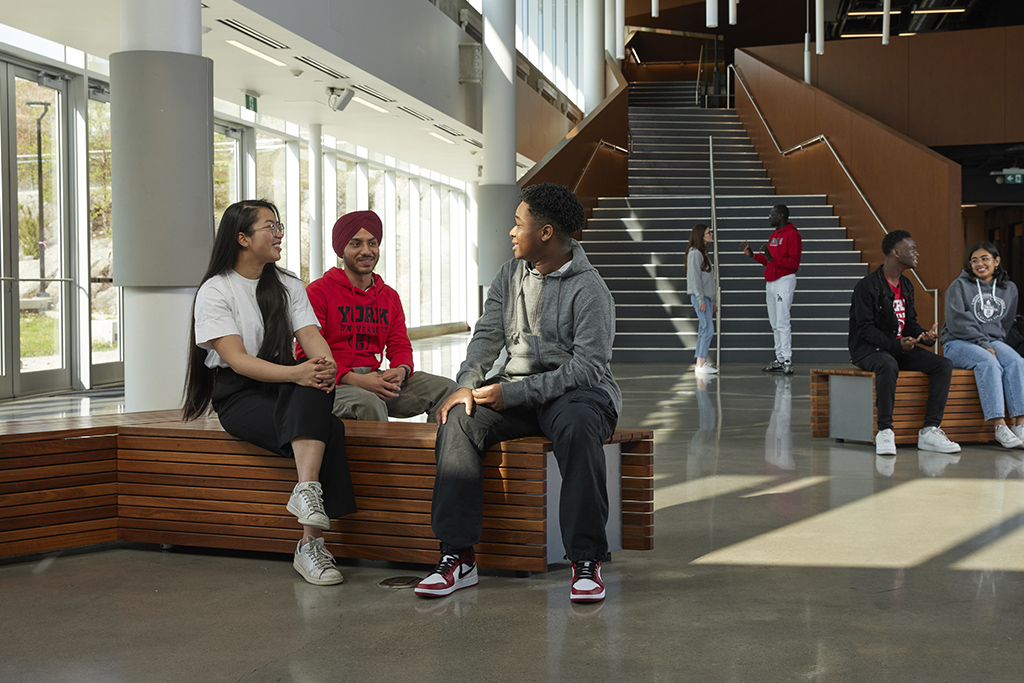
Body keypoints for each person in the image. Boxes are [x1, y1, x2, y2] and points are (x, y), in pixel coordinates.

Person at [414, 183, 621, 604]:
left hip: (579, 394)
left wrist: (513, 395)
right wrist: (466, 386)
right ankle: (458, 556)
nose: (510, 231)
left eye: (518, 222)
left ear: (545, 233)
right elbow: (487, 336)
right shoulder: (509, 275)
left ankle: (586, 560)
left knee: (579, 426)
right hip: (516, 390)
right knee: (459, 419)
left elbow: (587, 368)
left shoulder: (591, 290)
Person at [183, 199, 355, 587]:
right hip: (239, 395)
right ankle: (309, 546)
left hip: (282, 385)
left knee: (314, 382)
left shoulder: (289, 285)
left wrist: (325, 366)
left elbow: (311, 337)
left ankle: (306, 494)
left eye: (279, 226)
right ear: (242, 238)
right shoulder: (216, 290)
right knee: (330, 429)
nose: (279, 234)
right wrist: (297, 373)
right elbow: (237, 360)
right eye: (270, 227)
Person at [300, 210, 456, 422]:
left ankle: (435, 452)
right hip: (331, 383)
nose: (366, 251)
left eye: (372, 243)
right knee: (369, 403)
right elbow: (304, 353)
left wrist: (401, 370)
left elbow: (399, 344)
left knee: (447, 389)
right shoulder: (318, 291)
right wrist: (355, 379)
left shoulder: (389, 296)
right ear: (341, 250)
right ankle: (383, 456)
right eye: (356, 244)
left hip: (375, 377)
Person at [848, 229, 960, 456]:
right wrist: (896, 345)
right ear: (896, 252)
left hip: (895, 348)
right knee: (888, 364)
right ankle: (885, 431)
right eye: (912, 249)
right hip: (869, 350)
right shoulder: (868, 286)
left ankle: (930, 430)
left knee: (943, 365)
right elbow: (865, 329)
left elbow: (909, 325)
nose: (917, 254)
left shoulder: (907, 286)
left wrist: (924, 336)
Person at [940, 241, 1024, 448]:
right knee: (989, 362)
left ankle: (1020, 424)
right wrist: (983, 343)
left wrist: (992, 343)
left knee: (1016, 361)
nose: (979, 264)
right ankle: (999, 425)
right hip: (958, 341)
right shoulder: (958, 286)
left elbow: (1005, 323)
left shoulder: (1009, 288)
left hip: (992, 340)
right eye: (974, 260)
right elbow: (957, 321)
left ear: (996, 261)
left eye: (984, 259)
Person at [741, 204, 801, 374]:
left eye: (772, 214)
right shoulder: (774, 235)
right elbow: (770, 261)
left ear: (781, 216)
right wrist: (753, 256)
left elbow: (794, 263)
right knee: (774, 323)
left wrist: (772, 257)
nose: (769, 217)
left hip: (784, 280)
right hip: (771, 281)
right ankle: (779, 358)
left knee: (782, 321)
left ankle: (787, 359)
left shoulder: (793, 235)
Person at [687, 223, 717, 374]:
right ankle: (701, 363)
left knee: (704, 328)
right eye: (708, 233)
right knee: (707, 329)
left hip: (707, 297)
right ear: (700, 235)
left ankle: (700, 362)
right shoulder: (695, 254)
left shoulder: (702, 253)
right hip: (702, 297)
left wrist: (713, 301)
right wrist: (701, 300)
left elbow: (708, 280)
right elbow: (695, 279)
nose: (711, 234)